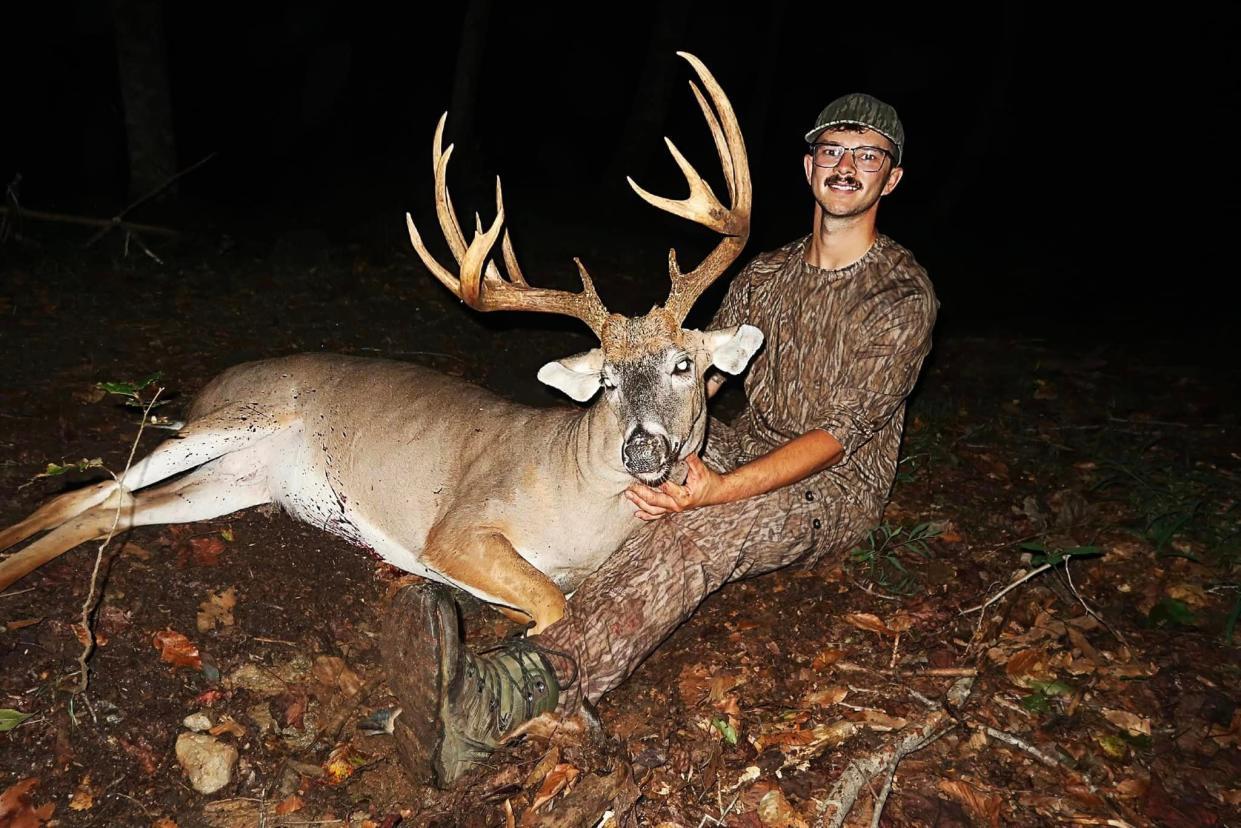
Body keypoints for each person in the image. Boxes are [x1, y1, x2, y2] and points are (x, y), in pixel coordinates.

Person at [382, 92, 939, 787]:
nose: (846, 167)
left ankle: (504, 701)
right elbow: (697, 378)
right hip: (748, 437)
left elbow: (841, 434)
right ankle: (537, 585)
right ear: (808, 167)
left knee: (693, 532)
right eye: (832, 151)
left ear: (891, 179)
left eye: (867, 156)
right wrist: (658, 442)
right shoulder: (764, 274)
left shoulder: (900, 294)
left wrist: (718, 491)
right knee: (642, 484)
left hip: (833, 484)